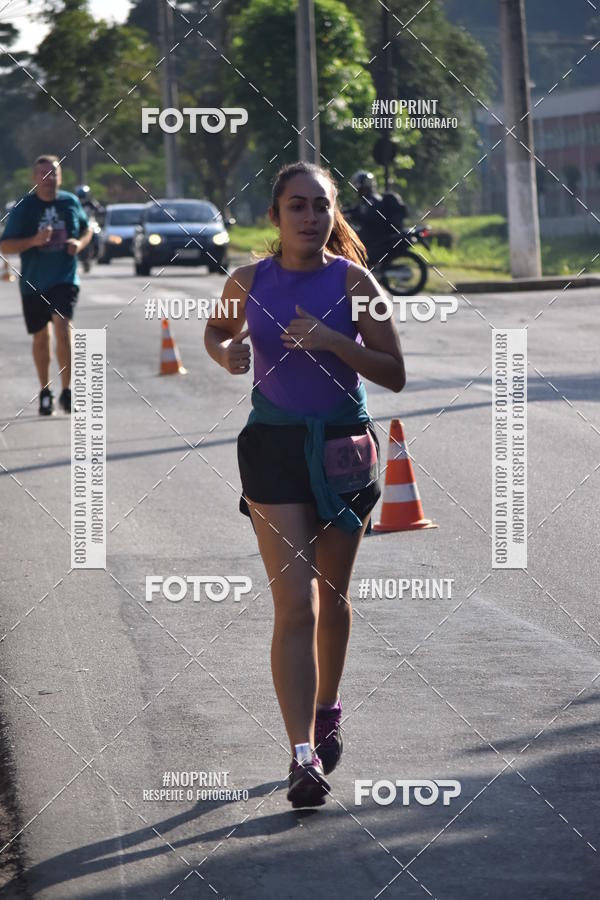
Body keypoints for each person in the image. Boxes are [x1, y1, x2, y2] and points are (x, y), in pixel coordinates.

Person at [204, 160, 405, 809]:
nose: (310, 217)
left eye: (320, 206)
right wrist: (223, 352)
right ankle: (302, 757)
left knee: (332, 599)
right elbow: (216, 329)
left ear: (332, 212)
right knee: (295, 604)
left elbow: (395, 372)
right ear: (276, 214)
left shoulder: (356, 282)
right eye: (297, 205)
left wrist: (331, 341)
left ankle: (328, 708)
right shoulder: (247, 278)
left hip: (343, 448)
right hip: (273, 448)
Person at [0, 155, 93, 414]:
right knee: (41, 338)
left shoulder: (70, 202)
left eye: (53, 173)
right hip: (33, 283)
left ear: (60, 176)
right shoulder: (25, 209)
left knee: (62, 327)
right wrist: (33, 241)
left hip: (64, 278)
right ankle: (45, 390)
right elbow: (5, 245)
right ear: (34, 179)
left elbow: (87, 230)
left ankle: (67, 390)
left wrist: (80, 244)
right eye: (43, 174)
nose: (48, 179)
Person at [346, 170, 407, 265]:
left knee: (354, 241)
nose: (357, 189)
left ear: (363, 186)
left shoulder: (373, 199)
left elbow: (368, 215)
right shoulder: (368, 199)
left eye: (358, 187)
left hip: (376, 234)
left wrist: (352, 216)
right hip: (375, 233)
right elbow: (357, 209)